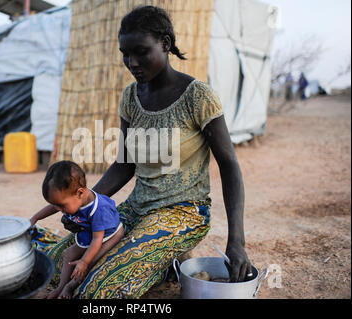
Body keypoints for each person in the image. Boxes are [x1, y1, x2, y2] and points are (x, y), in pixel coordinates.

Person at [32, 5, 251, 298]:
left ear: (165, 43)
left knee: (98, 288)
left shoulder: (198, 97)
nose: (131, 62)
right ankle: (161, 264)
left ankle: (158, 262)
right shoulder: (131, 98)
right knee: (59, 264)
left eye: (141, 51)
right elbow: (124, 165)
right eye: (125, 53)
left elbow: (229, 166)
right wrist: (85, 205)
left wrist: (237, 240)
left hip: (182, 214)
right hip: (136, 208)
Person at [30, 160, 124, 299]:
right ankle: (61, 287)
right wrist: (36, 218)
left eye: (61, 206)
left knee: (89, 262)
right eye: (56, 205)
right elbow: (53, 206)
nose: (58, 210)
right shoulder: (72, 198)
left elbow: (97, 239)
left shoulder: (99, 209)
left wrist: (84, 262)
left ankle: (69, 287)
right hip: (89, 231)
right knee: (68, 254)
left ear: (80, 193)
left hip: (109, 236)